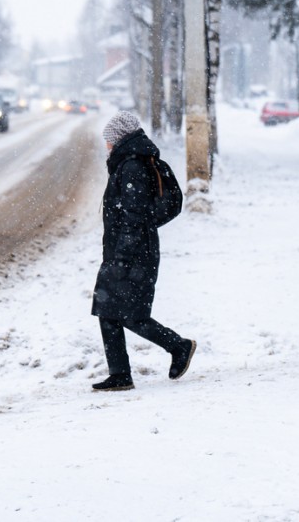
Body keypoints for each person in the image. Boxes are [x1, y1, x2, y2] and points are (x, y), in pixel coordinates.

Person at [91, 111, 196, 391]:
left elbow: (134, 217)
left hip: (133, 253)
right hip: (127, 251)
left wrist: (122, 257)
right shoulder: (129, 163)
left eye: (109, 140)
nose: (107, 146)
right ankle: (120, 374)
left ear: (120, 139)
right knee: (108, 309)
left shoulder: (132, 167)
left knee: (129, 314)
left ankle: (178, 346)